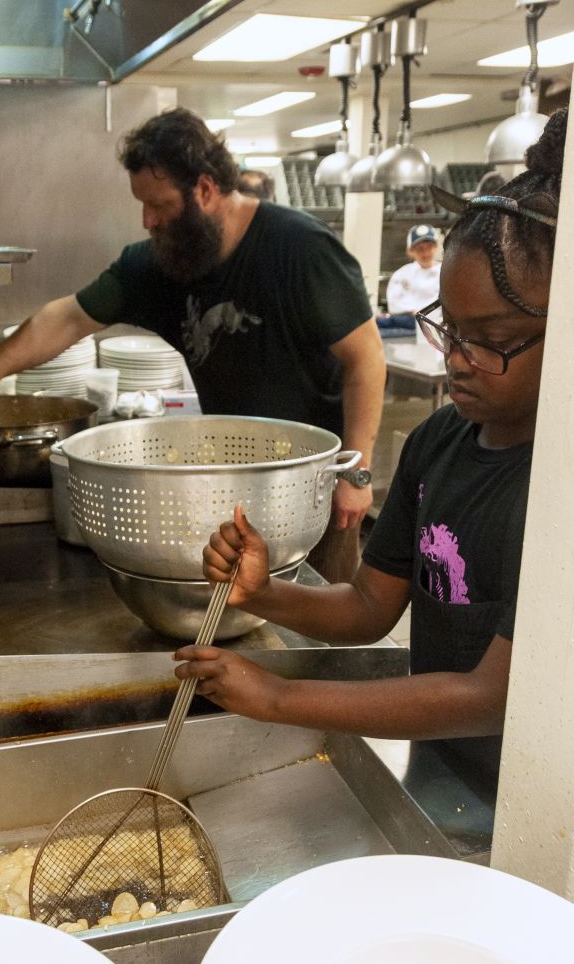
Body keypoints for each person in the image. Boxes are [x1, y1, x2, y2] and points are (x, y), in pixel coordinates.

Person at [173, 108, 565, 797]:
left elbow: (489, 696)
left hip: (536, 801)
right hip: (445, 769)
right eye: (451, 330)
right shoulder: (437, 443)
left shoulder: (557, 489)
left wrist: (280, 700)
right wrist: (265, 595)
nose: (460, 362)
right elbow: (366, 607)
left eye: (493, 338)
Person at [0, 107, 386, 583]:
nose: (147, 220)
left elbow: (366, 361)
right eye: (141, 204)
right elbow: (68, 317)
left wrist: (356, 475)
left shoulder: (301, 250)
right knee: (243, 621)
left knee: (324, 628)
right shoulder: (161, 266)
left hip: (316, 487)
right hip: (232, 485)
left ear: (205, 190)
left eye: (160, 206)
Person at [376, 223, 441, 338]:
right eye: (420, 248)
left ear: (436, 247)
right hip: (408, 325)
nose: (425, 253)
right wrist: (413, 312)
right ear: (410, 251)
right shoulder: (401, 274)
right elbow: (395, 306)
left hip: (439, 325)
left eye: (429, 247)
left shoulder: (445, 272)